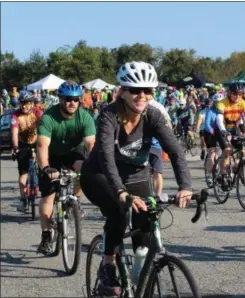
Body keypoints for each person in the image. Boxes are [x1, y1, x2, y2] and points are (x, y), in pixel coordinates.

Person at [80, 61, 192, 297]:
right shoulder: (108, 116)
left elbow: (175, 151)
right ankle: (108, 265)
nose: (142, 95)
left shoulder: (153, 115)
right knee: (119, 210)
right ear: (122, 91)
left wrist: (185, 186)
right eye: (135, 90)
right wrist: (121, 192)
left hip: (135, 175)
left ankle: (139, 278)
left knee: (146, 228)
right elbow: (106, 157)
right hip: (99, 174)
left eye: (148, 90)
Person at [36, 81, 96, 255]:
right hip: (51, 154)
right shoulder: (49, 117)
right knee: (48, 196)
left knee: (84, 168)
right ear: (61, 99)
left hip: (72, 152)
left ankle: (75, 199)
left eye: (76, 99)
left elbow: (91, 143)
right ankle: (46, 235)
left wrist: (95, 164)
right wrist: (46, 167)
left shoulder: (84, 117)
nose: (72, 103)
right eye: (68, 99)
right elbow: (41, 145)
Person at [11, 92, 44, 212]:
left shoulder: (37, 112)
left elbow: (44, 128)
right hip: (23, 144)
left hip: (36, 142)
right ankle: (23, 199)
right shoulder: (15, 115)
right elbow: (14, 133)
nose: (23, 106)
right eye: (22, 103)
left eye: (26, 103)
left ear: (31, 104)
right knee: (22, 175)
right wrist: (15, 147)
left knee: (44, 166)